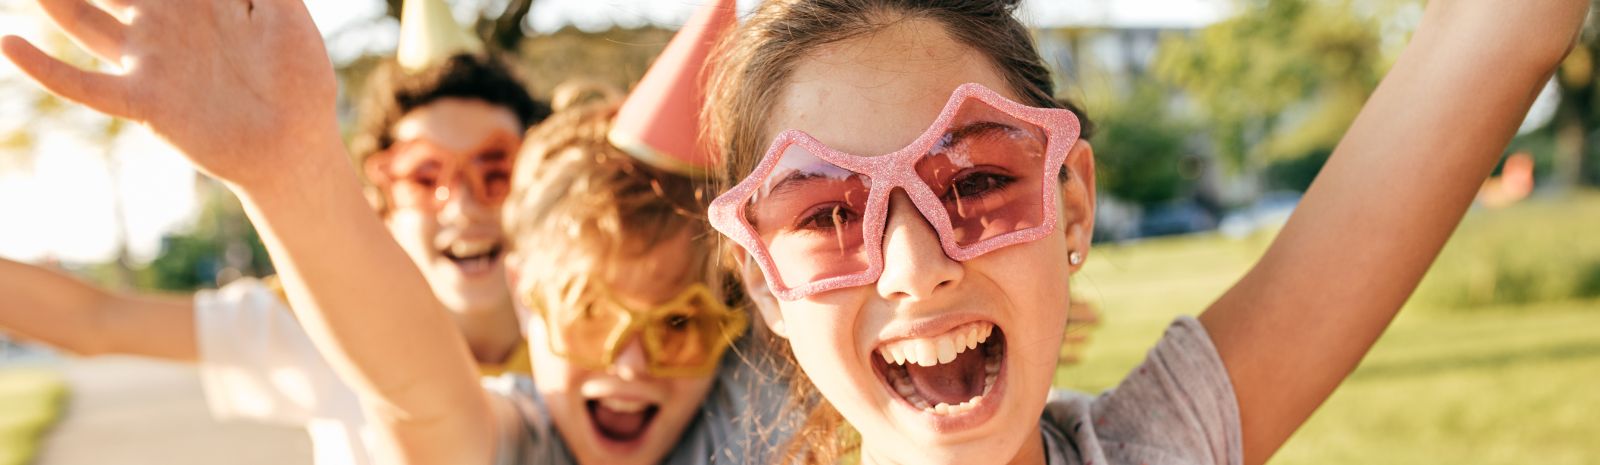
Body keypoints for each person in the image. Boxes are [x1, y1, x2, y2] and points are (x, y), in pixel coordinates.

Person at [699, 0, 1587, 464]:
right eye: (826, 214)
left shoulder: (1163, 443)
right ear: (765, 279)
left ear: (1072, 205)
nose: (914, 266)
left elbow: (1503, 27)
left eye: (973, 180)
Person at [2, 0, 784, 463]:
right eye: (424, 175)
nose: (630, 356)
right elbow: (428, 404)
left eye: (680, 324)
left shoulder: (746, 394)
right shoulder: (518, 419)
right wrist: (291, 175)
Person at [0, 0, 548, 462]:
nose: (464, 204)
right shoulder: (307, 320)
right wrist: (289, 175)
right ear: (382, 196)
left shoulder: (598, 330)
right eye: (425, 176)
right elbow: (95, 321)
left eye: (496, 170)